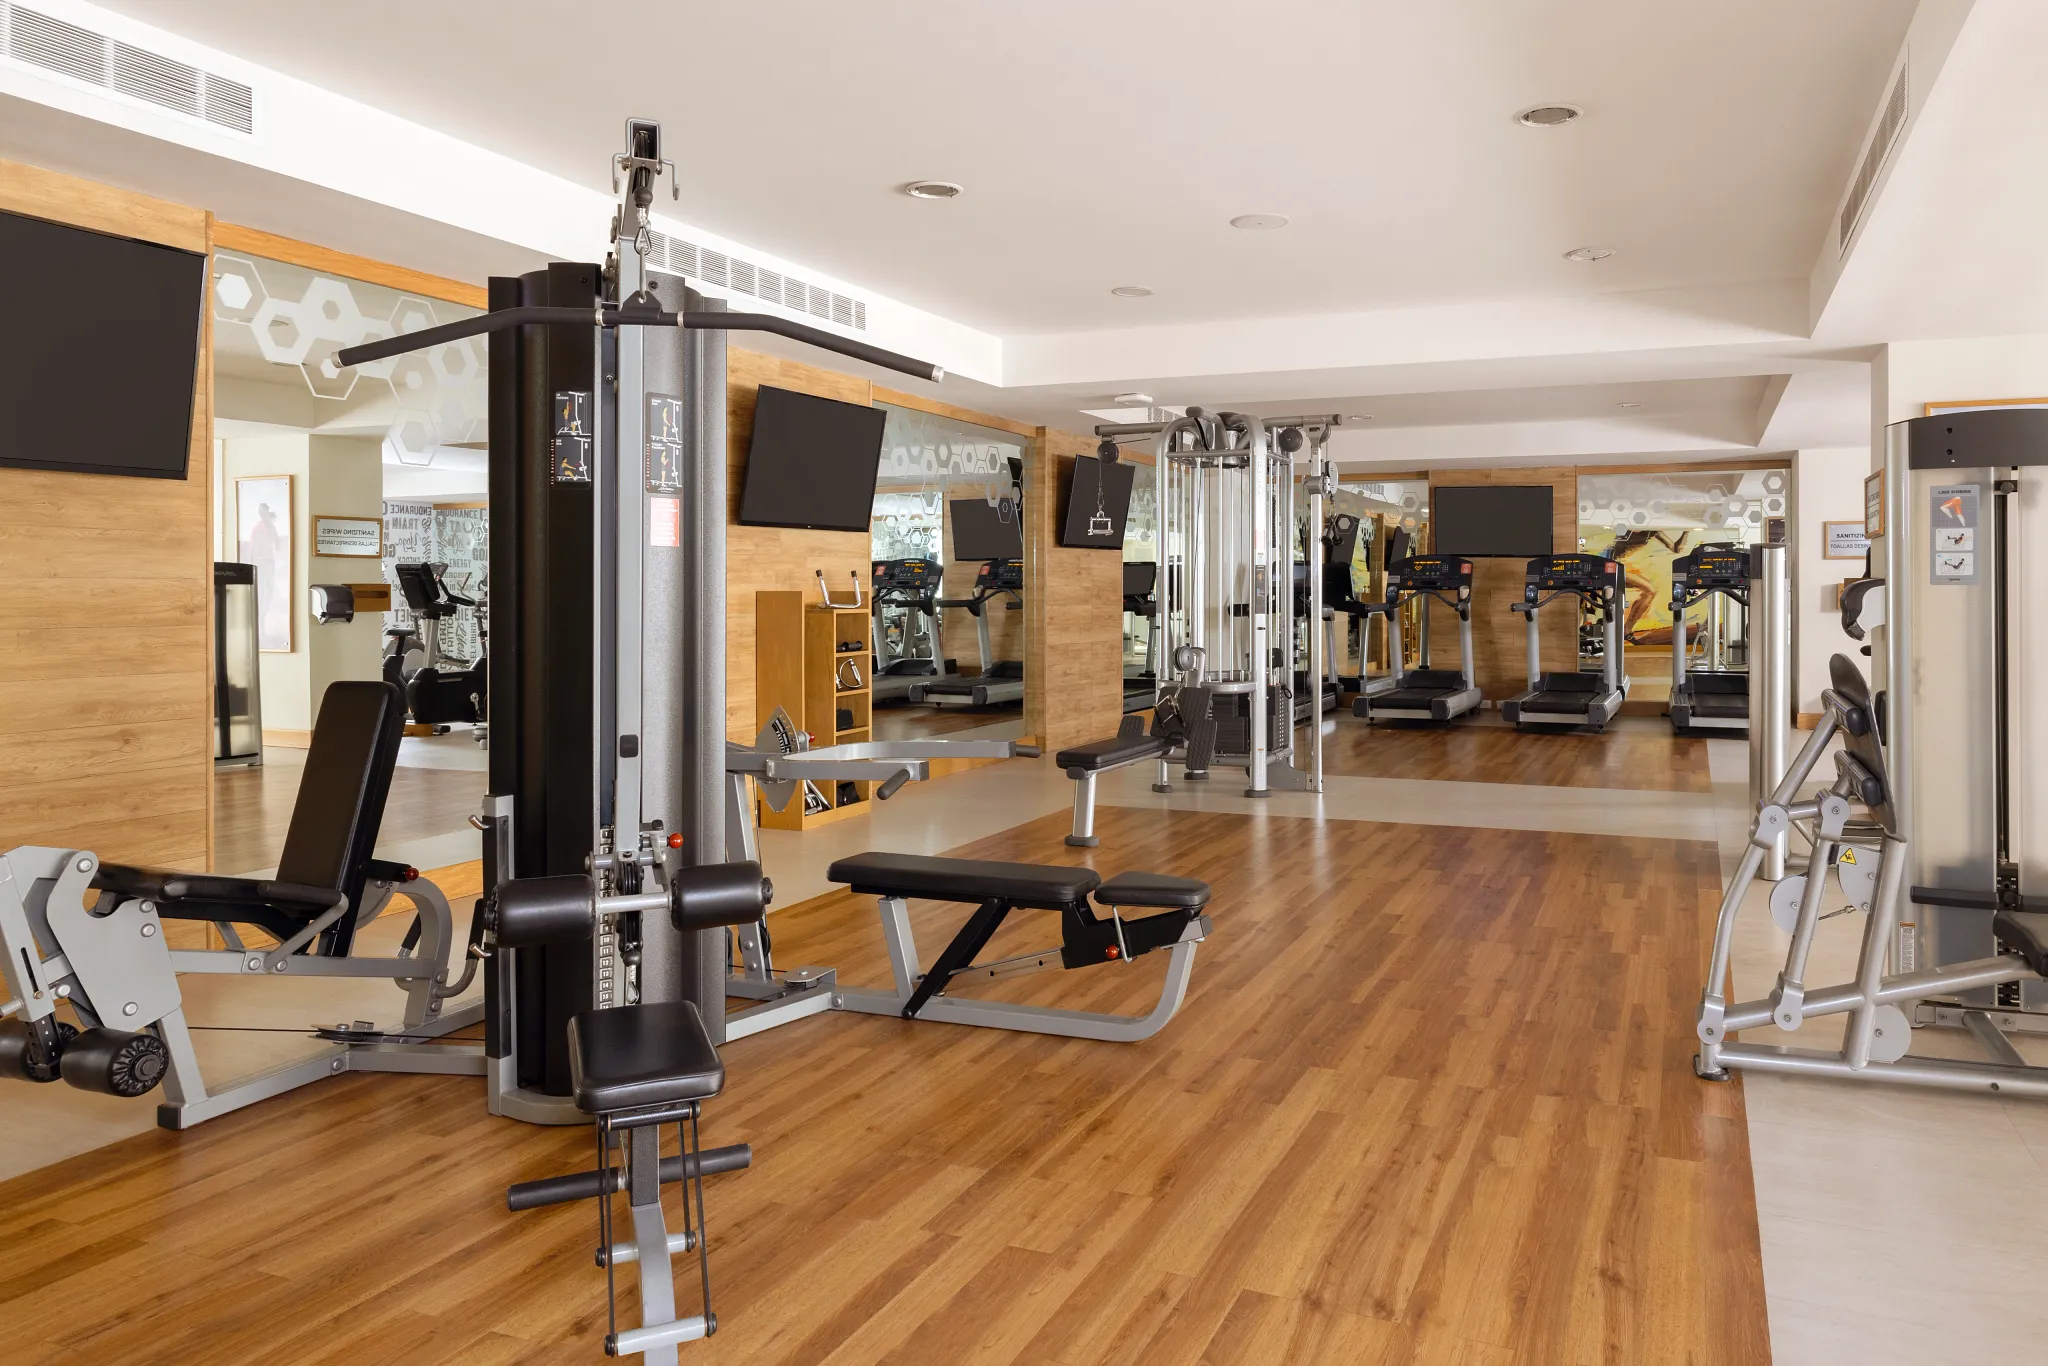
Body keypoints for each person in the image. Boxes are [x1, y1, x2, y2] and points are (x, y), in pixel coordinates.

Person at [1605, 528, 1692, 646]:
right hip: (1611, 563)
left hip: (1620, 565)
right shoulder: (1634, 528)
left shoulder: (1653, 531)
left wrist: (1686, 531)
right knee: (1650, 590)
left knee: (1650, 591)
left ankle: (1625, 630)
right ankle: (1625, 630)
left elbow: (1676, 549)